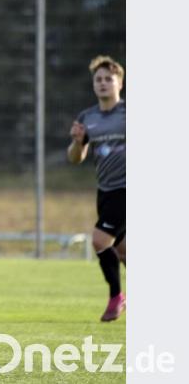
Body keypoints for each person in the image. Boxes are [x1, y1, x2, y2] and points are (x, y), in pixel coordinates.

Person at [67, 55, 126, 322]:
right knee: (124, 250)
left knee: (100, 240)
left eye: (108, 79)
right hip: (105, 190)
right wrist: (79, 143)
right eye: (98, 80)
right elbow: (75, 158)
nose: (103, 83)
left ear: (119, 83)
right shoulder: (87, 117)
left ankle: (116, 297)